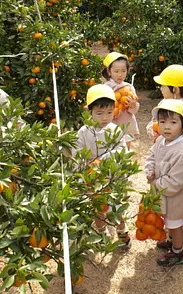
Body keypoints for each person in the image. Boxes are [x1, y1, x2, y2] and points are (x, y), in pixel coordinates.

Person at [71, 84, 131, 249]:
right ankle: (101, 231)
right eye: (99, 113)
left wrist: (102, 160)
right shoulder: (84, 132)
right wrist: (81, 169)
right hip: (93, 178)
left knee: (116, 206)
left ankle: (121, 231)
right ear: (88, 112)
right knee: (98, 207)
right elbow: (78, 153)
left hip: (113, 177)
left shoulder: (115, 130)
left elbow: (121, 151)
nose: (105, 117)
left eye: (109, 113)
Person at [147, 64, 183, 227]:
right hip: (169, 150)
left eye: (163, 86)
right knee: (170, 182)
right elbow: (158, 121)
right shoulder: (168, 101)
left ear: (175, 89)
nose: (160, 89)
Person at [144, 99, 183, 266]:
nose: (166, 126)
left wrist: (156, 182)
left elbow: (175, 181)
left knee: (175, 224)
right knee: (169, 221)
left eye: (173, 122)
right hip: (164, 195)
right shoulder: (161, 141)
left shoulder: (181, 152)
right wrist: (149, 169)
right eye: (162, 121)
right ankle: (172, 242)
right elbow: (151, 156)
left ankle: (178, 252)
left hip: (175, 199)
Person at [102, 52, 139, 149]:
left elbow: (134, 110)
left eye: (123, 71)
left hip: (126, 125)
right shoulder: (106, 88)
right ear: (109, 72)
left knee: (125, 152)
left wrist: (133, 105)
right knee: (111, 150)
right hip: (111, 125)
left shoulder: (129, 87)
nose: (120, 74)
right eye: (116, 71)